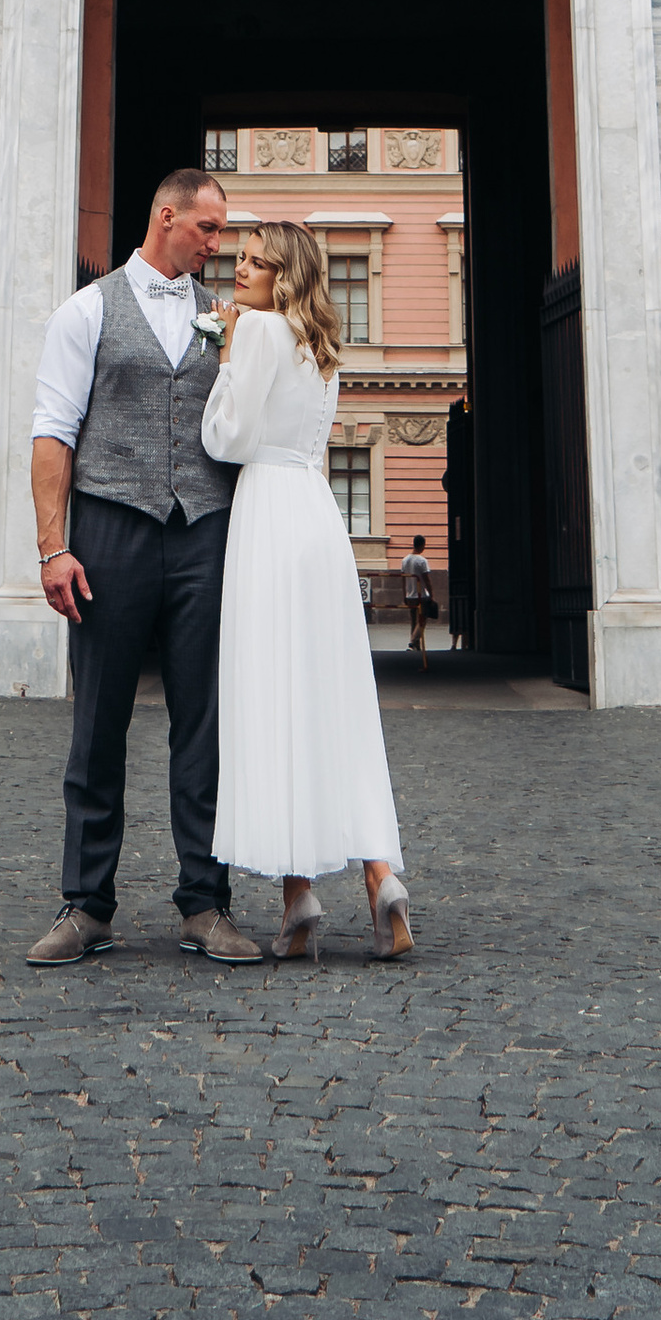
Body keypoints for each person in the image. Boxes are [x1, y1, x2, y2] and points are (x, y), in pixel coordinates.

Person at [25, 166, 263, 967]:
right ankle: (86, 905)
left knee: (205, 722)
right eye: (209, 228)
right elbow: (53, 432)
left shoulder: (227, 319)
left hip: (205, 531)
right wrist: (54, 547)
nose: (218, 244)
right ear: (167, 217)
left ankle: (206, 903)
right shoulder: (86, 310)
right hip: (110, 530)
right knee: (99, 722)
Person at [204, 223, 413, 960]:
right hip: (318, 516)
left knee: (275, 698)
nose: (241, 269)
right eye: (240, 257)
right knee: (333, 699)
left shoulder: (259, 332)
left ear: (285, 275)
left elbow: (227, 440)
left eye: (258, 262)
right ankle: (380, 878)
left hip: (267, 517)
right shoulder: (322, 348)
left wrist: (225, 358)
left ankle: (299, 895)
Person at [400, 533, 437, 670]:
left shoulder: (405, 560)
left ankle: (416, 645)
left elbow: (403, 579)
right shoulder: (422, 561)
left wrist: (404, 595)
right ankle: (412, 642)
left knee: (413, 620)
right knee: (422, 619)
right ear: (422, 545)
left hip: (410, 595)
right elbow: (427, 579)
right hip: (421, 595)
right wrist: (431, 594)